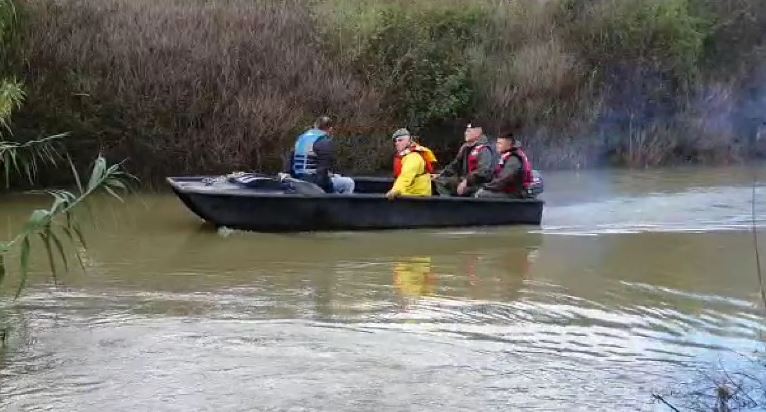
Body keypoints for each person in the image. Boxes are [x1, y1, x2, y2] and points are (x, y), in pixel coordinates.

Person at [286, 115, 355, 194]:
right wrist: (330, 191)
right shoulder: (324, 142)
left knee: (335, 177)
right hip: (312, 182)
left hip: (297, 180)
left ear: (315, 126)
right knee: (349, 183)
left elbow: (290, 164)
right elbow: (322, 174)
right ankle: (340, 205)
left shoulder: (300, 138)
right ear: (330, 129)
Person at [433, 123, 494, 197]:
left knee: (446, 184)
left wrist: (466, 181)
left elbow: (483, 172)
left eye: (469, 131)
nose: (465, 133)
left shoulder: (484, 149)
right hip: (463, 180)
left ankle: (448, 205)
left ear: (477, 133)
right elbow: (454, 165)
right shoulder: (465, 148)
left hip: (478, 184)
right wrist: (441, 174)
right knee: (439, 181)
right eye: (466, 131)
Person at [476, 132, 534, 199]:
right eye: (497, 143)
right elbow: (496, 176)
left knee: (480, 194)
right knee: (476, 189)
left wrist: (485, 187)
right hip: (508, 191)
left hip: (515, 194)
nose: (497, 145)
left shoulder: (513, 159)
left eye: (500, 143)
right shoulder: (507, 156)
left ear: (509, 145)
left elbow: (503, 180)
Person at [385, 128, 436, 199]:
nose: (397, 143)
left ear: (409, 141)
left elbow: (406, 177)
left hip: (415, 197)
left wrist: (395, 190)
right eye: (395, 141)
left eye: (400, 140)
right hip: (411, 194)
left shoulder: (413, 157)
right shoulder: (407, 155)